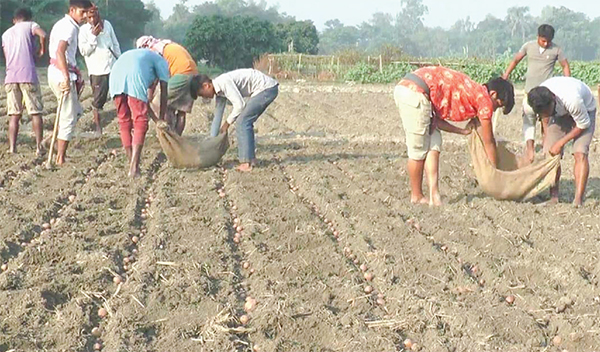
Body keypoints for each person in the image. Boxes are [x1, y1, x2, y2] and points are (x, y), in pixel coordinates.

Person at [395, 66, 515, 206]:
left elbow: (438, 122)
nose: (494, 109)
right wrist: (494, 171)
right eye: (498, 105)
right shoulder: (485, 101)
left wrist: (463, 132)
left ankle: (434, 196)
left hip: (417, 91)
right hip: (414, 91)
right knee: (418, 149)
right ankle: (416, 196)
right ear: (493, 94)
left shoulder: (475, 92)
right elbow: (489, 142)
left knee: (434, 142)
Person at [502, 24, 570, 163]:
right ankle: (530, 151)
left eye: (548, 41)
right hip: (529, 92)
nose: (545, 44)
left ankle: (546, 150)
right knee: (528, 121)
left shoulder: (556, 50)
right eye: (543, 40)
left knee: (547, 124)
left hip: (546, 95)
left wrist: (567, 82)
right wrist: (506, 75)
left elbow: (565, 66)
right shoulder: (528, 46)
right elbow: (515, 60)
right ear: (538, 37)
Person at [527, 77, 596, 207]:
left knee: (580, 152)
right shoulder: (538, 100)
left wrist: (561, 142)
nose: (546, 113)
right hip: (560, 114)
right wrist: (548, 140)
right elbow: (545, 119)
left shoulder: (572, 99)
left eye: (549, 110)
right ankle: (554, 197)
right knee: (550, 153)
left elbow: (583, 124)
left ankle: (578, 200)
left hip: (585, 112)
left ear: (553, 98)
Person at [196, 69, 279, 172]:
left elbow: (240, 105)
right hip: (264, 89)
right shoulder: (219, 92)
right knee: (244, 121)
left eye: (202, 94)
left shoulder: (223, 83)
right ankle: (251, 159)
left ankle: (246, 163)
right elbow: (218, 114)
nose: (204, 97)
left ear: (206, 86)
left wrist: (227, 123)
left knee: (242, 122)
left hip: (266, 88)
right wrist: (212, 141)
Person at [109, 49, 170, 178]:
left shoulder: (145, 59)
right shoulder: (162, 62)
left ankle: (132, 163)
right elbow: (164, 92)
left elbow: (145, 100)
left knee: (124, 120)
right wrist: (162, 117)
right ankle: (134, 167)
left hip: (115, 74)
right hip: (133, 73)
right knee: (140, 120)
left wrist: (157, 120)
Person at [47, 0, 93, 165]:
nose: (85, 16)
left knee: (76, 111)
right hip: (61, 73)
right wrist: (66, 77)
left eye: (87, 12)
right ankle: (60, 158)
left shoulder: (64, 24)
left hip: (56, 70)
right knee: (68, 116)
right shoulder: (68, 28)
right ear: (72, 10)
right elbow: (60, 51)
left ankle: (52, 140)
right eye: (82, 12)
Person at [2, 7, 46, 155]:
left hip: (11, 77)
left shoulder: (6, 34)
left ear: (15, 20)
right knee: (35, 112)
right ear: (28, 18)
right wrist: (41, 50)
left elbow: (7, 55)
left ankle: (12, 148)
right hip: (27, 75)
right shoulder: (31, 25)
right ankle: (39, 147)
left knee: (14, 115)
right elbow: (43, 34)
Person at [136, 36, 198, 135]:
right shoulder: (166, 45)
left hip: (181, 74)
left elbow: (156, 76)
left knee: (160, 102)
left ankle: (169, 135)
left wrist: (150, 95)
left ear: (144, 46)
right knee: (182, 111)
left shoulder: (154, 50)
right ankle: (177, 140)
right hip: (194, 75)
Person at [78, 4, 121, 137]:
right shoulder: (84, 31)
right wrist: (93, 37)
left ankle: (122, 125)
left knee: (119, 96)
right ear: (86, 18)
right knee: (98, 102)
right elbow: (84, 51)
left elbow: (115, 44)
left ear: (98, 15)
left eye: (94, 16)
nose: (92, 20)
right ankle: (98, 128)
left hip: (112, 67)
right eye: (89, 17)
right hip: (97, 70)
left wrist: (120, 60)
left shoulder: (107, 25)